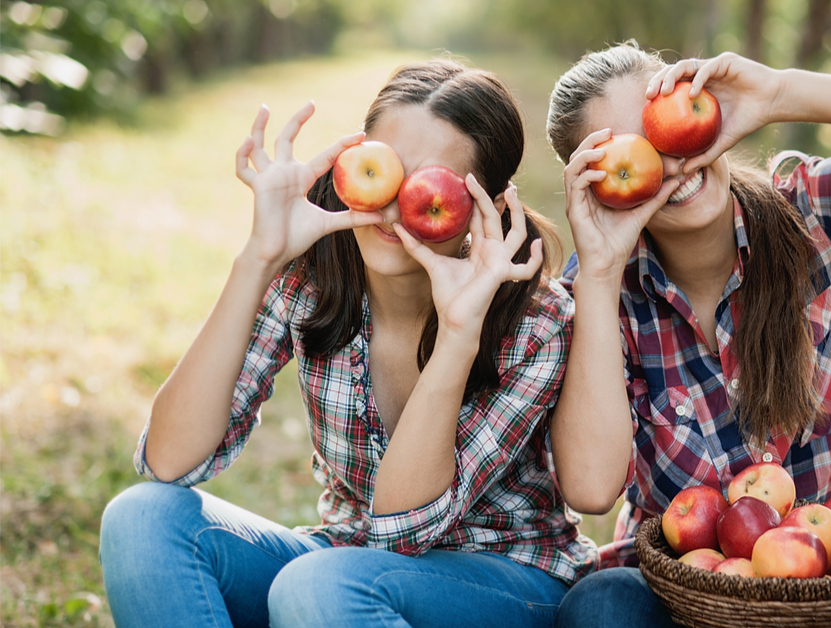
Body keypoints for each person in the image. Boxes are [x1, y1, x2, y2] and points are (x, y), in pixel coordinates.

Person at [99, 59, 595, 628]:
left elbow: (404, 530)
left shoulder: (536, 322)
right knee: (143, 519)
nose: (393, 205)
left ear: (489, 208)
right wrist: (260, 257)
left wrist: (460, 333)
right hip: (341, 570)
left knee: (319, 585)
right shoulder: (313, 278)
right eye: (382, 170)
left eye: (428, 185)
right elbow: (168, 459)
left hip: (505, 581)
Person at [543, 43, 831, 628]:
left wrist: (781, 93)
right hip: (680, 596)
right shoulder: (595, 292)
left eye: (669, 122)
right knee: (600, 606)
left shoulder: (814, 217)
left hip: (829, 592)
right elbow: (590, 489)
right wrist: (600, 273)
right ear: (595, 185)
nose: (672, 161)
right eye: (633, 152)